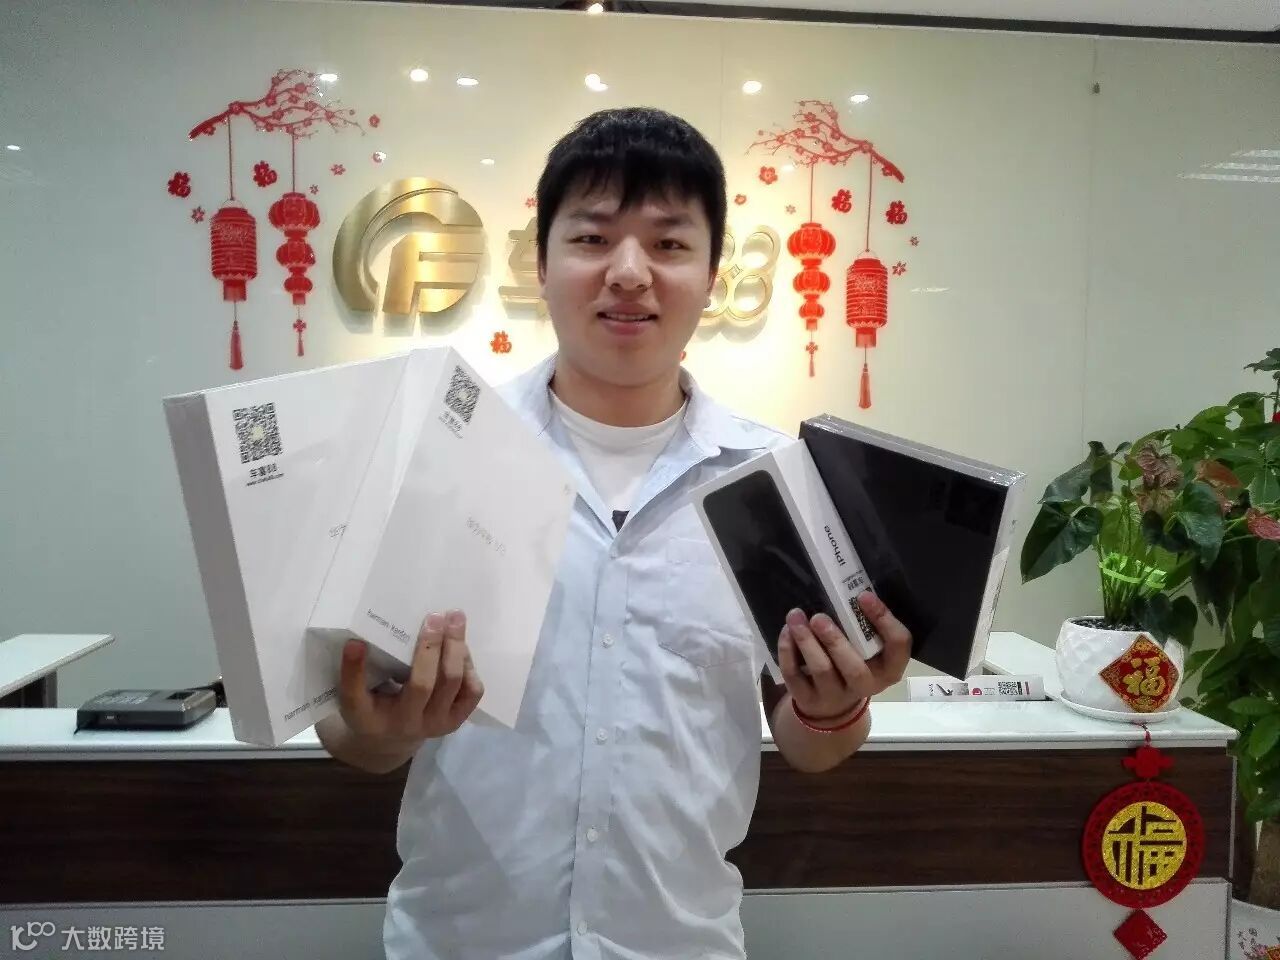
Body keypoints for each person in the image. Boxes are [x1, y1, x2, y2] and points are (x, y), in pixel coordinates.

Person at [316, 106, 913, 960]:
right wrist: (391, 726)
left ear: (712, 274)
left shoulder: (774, 483)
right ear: (541, 262)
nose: (629, 273)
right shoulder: (441, 454)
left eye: (669, 244)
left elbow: (810, 743)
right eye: (593, 239)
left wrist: (834, 708)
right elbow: (354, 740)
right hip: (462, 943)